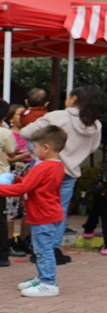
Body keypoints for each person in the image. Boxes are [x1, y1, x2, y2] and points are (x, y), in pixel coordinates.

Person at [20, 86, 103, 265]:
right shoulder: (95, 124)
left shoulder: (58, 116)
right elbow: (93, 148)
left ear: (73, 98)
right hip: (70, 170)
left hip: (46, 168)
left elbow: (25, 133)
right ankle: (54, 248)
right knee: (60, 210)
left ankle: (39, 249)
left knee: (39, 208)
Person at [0, 125, 66, 296]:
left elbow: (22, 189)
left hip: (43, 215)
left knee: (43, 251)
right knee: (41, 249)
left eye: (35, 147)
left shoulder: (43, 167)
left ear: (46, 148)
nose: (33, 151)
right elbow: (33, 185)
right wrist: (17, 179)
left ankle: (49, 282)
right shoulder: (56, 165)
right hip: (48, 214)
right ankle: (42, 277)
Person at [5, 104, 32, 258]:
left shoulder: (30, 135)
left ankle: (24, 239)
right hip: (14, 172)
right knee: (11, 208)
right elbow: (9, 158)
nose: (23, 117)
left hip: (29, 171)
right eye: (19, 114)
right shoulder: (9, 134)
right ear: (10, 118)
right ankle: (9, 241)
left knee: (28, 206)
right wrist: (29, 153)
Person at [0, 100, 17, 268]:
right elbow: (11, 154)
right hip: (1, 180)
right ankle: (3, 255)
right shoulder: (5, 133)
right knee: (0, 218)